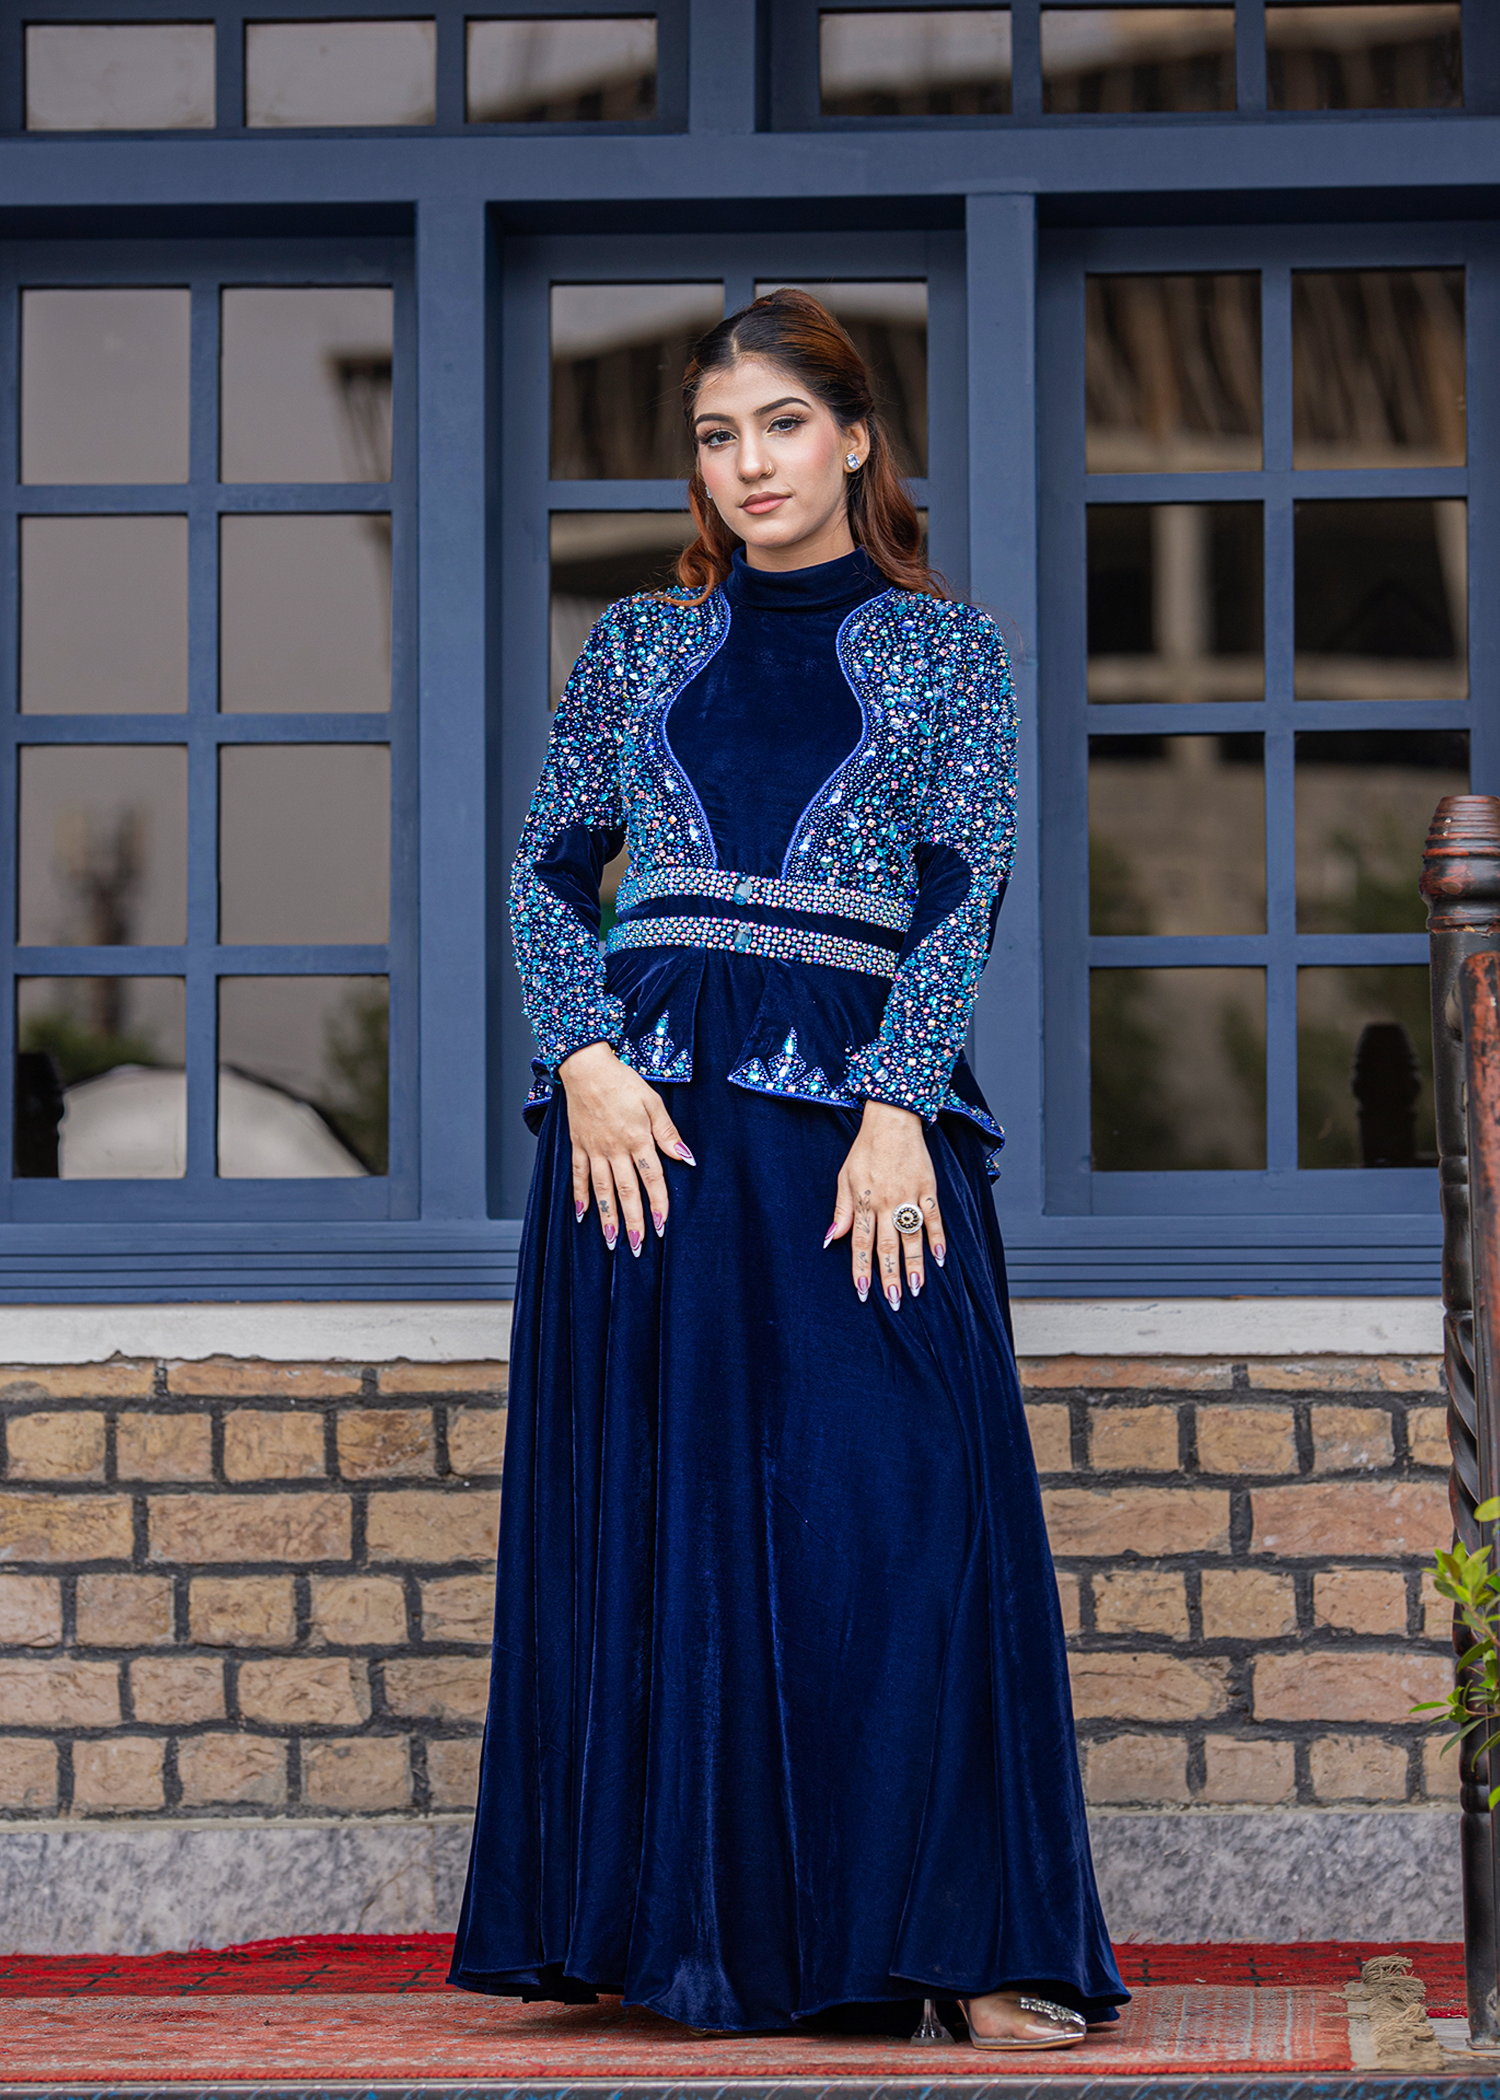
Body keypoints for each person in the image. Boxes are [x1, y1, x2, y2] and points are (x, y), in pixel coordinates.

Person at [449, 289, 1125, 2047]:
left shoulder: (947, 651)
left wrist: (901, 1106)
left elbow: (965, 887)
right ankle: (688, 1937)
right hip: (645, 1139)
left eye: (780, 425)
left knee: (913, 1510)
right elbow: (545, 870)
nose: (747, 464)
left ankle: (961, 1946)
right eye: (715, 435)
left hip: (856, 1135)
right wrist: (582, 1060)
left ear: (854, 439)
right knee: (665, 1516)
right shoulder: (635, 644)